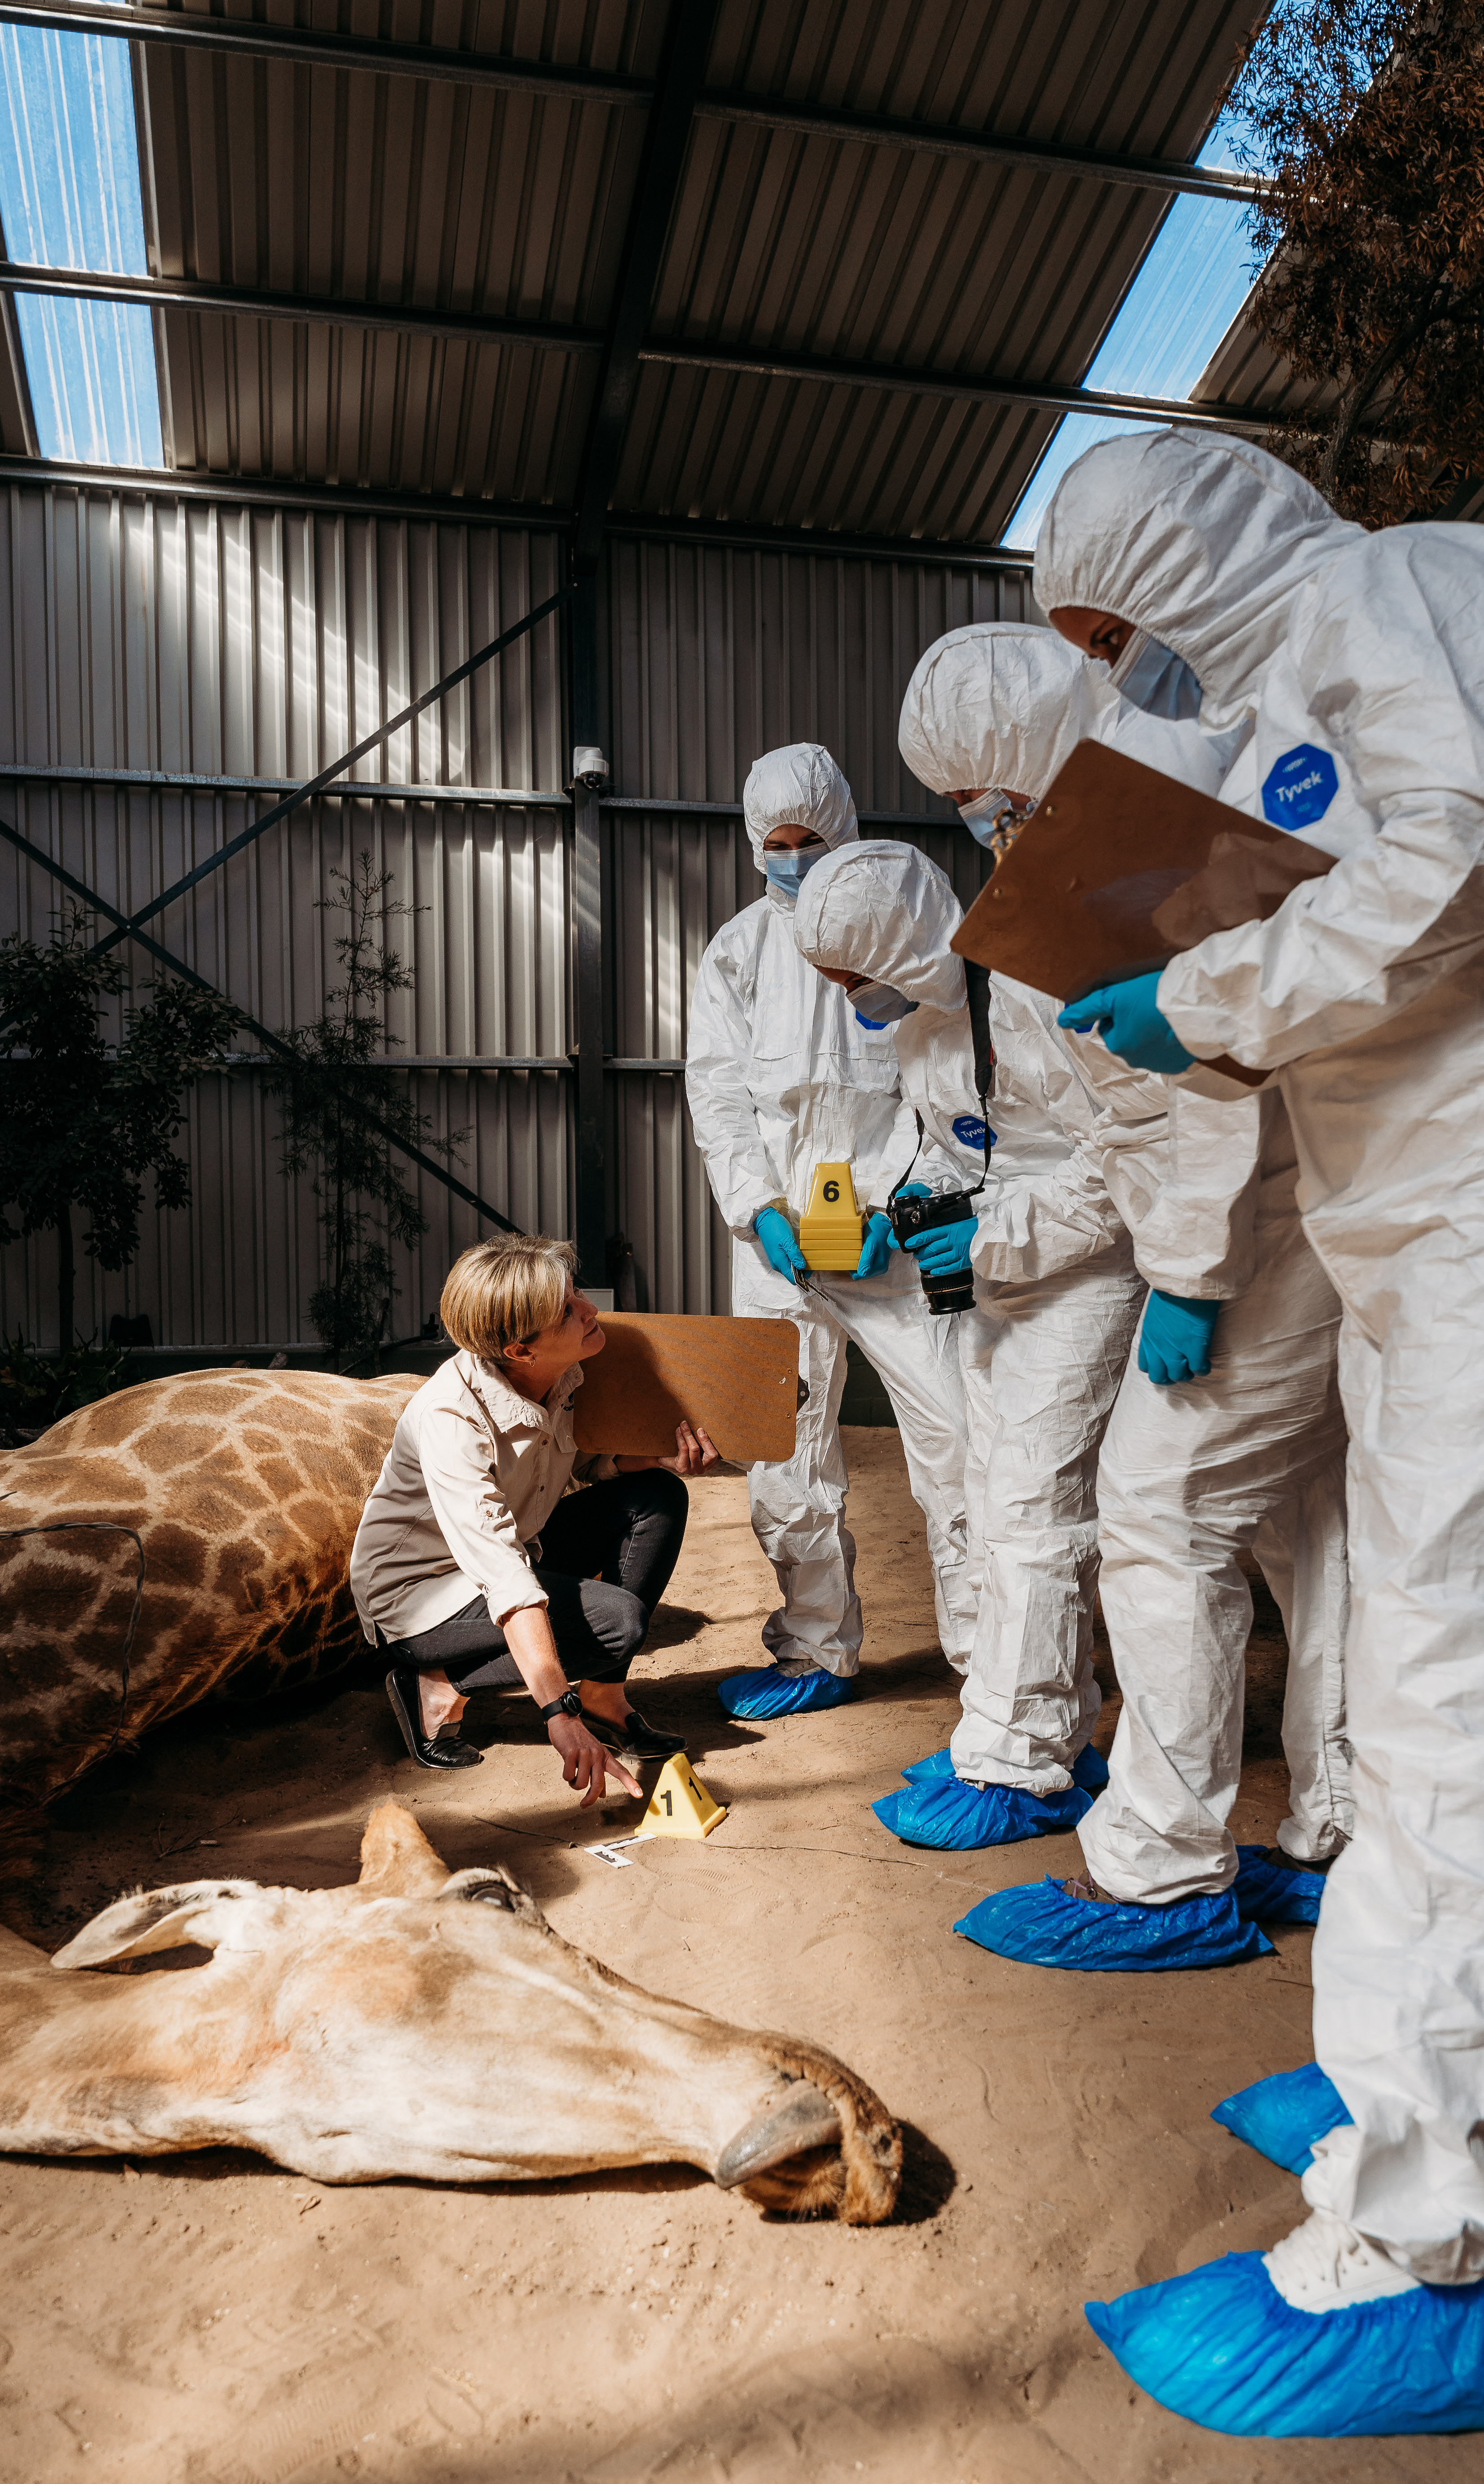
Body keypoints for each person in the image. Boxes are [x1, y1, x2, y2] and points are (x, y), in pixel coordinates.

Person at [1032, 424, 1484, 2436]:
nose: (1125, 663)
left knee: (1438, 1684)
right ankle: (1420, 2082)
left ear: (1184, 548)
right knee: (1402, 1666)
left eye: (1119, 619)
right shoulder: (1291, 673)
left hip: (1466, 1219)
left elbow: (1443, 849)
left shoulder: (1383, 593)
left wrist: (1199, 991)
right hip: (1405, 1233)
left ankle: (1417, 2223)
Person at [885, 626, 1353, 1969]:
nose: (986, 822)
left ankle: (1163, 1868)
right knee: (1315, 1538)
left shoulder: (1125, 849)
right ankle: (1335, 1825)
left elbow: (1194, 1112)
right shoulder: (1148, 829)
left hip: (1272, 1238)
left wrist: (1189, 1278)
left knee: (1158, 1517)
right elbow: (1137, 1129)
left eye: (998, 792)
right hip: (1299, 1228)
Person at [790, 780, 1158, 1847]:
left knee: (1037, 1509)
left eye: (855, 974)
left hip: (1083, 1272)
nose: (850, 996)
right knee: (990, 1501)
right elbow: (944, 1138)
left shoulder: (1034, 991)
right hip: (1002, 1280)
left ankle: (1025, 1765)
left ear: (900, 946)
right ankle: (1022, 1720)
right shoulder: (922, 1015)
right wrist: (899, 1201)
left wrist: (988, 1233)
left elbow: (1117, 1159)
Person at [685, 743, 974, 1720]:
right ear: (751, 842)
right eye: (778, 842)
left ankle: (991, 1666)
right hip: (776, 1250)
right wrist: (757, 1208)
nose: (796, 857)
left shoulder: (906, 933)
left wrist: (910, 1205)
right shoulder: (734, 953)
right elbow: (719, 1096)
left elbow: (955, 1098)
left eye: (814, 838)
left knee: (959, 1447)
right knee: (784, 1457)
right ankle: (813, 1648)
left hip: (894, 1245)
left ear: (847, 829)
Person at [349, 1234, 717, 1806]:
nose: (591, 1309)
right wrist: (555, 1710)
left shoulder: (564, 1370)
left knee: (656, 1496)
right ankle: (439, 1682)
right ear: (521, 1350)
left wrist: (656, 1456)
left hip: (522, 1545)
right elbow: (503, 1574)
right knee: (617, 1623)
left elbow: (582, 1459)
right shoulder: (451, 1419)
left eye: (575, 1293)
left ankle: (604, 1693)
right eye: (570, 1311)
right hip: (423, 1592)